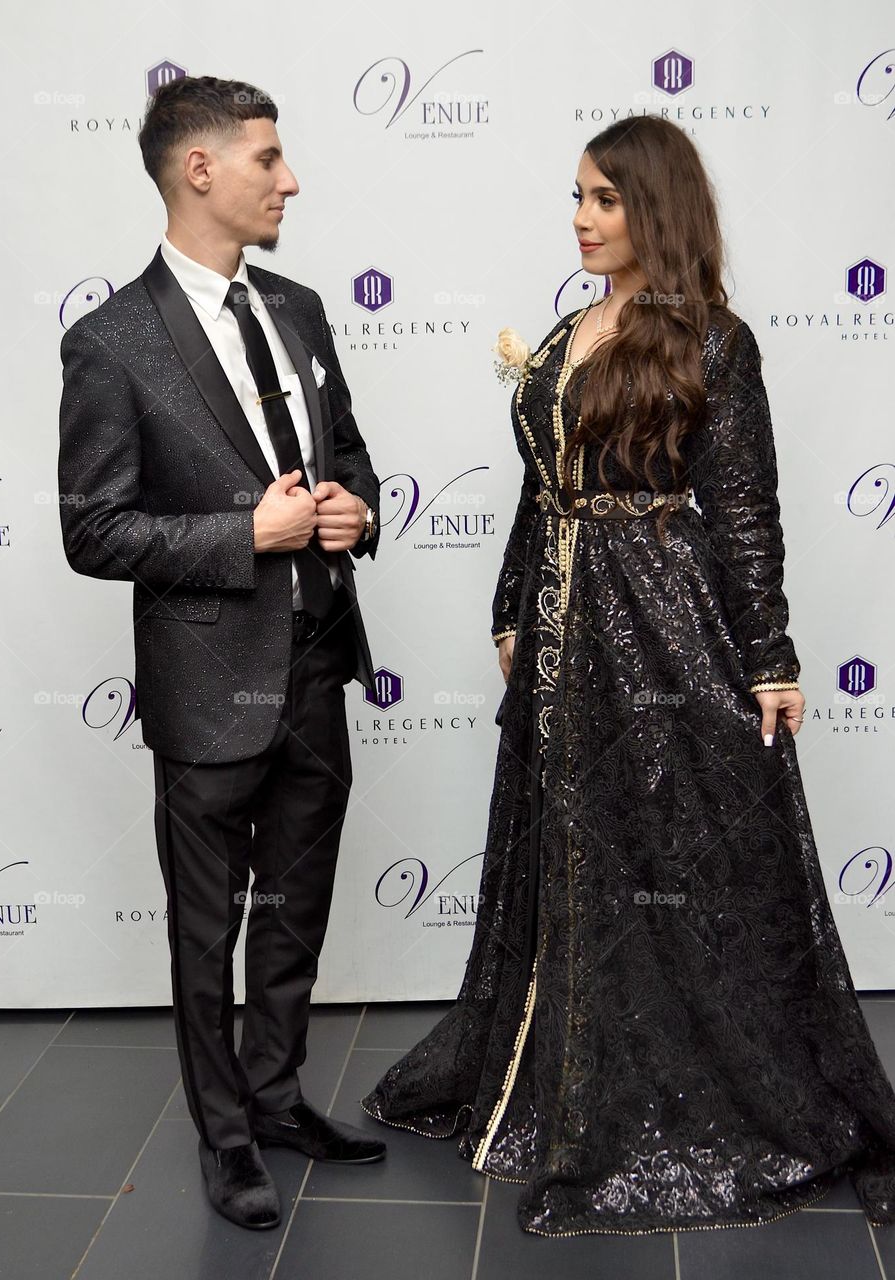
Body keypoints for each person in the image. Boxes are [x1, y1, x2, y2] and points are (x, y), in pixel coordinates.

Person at [362, 115, 895, 1236]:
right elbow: (537, 487)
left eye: (602, 199)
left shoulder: (711, 338)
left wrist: (769, 658)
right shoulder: (563, 331)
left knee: (665, 850)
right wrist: (512, 607)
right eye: (575, 197)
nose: (580, 218)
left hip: (659, 622)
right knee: (563, 841)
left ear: (653, 207)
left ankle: (679, 1085)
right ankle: (544, 1072)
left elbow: (744, 508)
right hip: (562, 634)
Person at [58, 74, 385, 1232]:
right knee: (208, 927)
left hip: (316, 660)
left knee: (296, 905)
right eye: (267, 157)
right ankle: (227, 1135)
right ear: (199, 169)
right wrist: (246, 532)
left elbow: (347, 455)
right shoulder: (110, 341)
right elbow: (93, 529)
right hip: (207, 686)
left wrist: (353, 506)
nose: (288, 178)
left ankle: (281, 1095)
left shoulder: (295, 307)